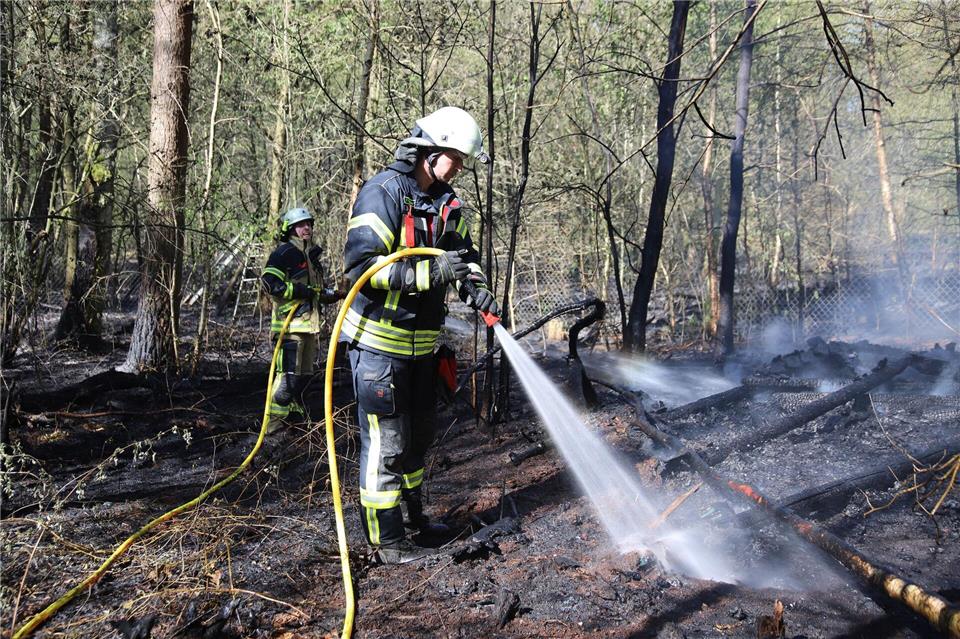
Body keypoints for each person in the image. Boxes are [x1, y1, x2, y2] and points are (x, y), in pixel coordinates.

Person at [341, 106, 499, 564]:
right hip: (379, 346)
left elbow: (463, 259)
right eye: (456, 156)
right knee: (386, 445)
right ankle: (386, 541)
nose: (461, 166)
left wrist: (480, 293)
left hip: (422, 349)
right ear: (429, 150)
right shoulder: (382, 193)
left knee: (418, 440)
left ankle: (413, 520)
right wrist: (432, 272)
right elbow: (363, 269)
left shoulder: (447, 203)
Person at [261, 207, 343, 438]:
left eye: (308, 224)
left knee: (303, 375)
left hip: (308, 326)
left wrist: (332, 295)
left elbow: (315, 292)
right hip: (290, 327)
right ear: (290, 229)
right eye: (300, 224)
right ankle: (272, 426)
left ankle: (291, 415)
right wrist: (300, 290)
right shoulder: (284, 253)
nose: (306, 228)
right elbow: (269, 283)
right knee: (287, 377)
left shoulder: (313, 257)